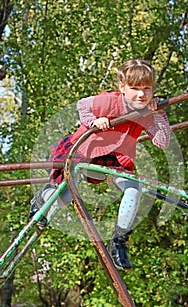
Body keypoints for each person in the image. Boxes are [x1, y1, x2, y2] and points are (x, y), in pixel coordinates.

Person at [29, 59, 171, 271]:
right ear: (122, 88)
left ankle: (119, 241)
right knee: (66, 196)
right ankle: (42, 202)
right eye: (134, 88)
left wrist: (158, 113)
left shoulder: (147, 112)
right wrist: (95, 121)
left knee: (134, 189)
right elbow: (82, 107)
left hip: (115, 157)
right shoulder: (110, 102)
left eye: (146, 89)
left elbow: (162, 142)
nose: (141, 94)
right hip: (85, 149)